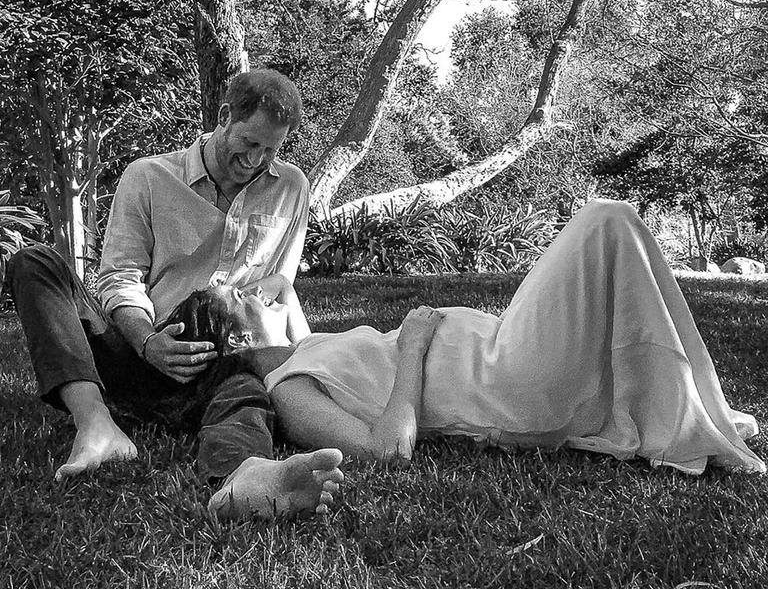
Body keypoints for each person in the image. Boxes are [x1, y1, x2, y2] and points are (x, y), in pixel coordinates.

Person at [181, 199, 766, 476]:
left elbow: (284, 288)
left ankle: (690, 407)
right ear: (236, 344)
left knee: (614, 252)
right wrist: (411, 345)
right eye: (243, 297)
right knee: (605, 223)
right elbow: (388, 450)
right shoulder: (289, 390)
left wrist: (264, 298)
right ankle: (693, 420)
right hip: (507, 379)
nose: (260, 291)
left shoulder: (305, 346)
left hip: (504, 345)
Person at [4, 69, 343, 521]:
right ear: (224, 116)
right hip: (139, 352)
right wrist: (147, 341)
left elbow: (277, 288)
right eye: (249, 142)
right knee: (35, 262)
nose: (257, 159)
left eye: (271, 149)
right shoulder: (148, 177)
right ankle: (96, 424)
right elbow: (119, 278)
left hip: (223, 365)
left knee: (243, 395)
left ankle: (244, 477)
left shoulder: (291, 187)